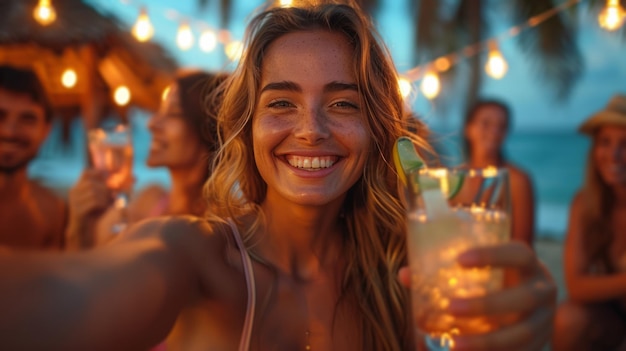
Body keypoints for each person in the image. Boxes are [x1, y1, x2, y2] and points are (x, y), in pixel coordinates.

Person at [0, 3, 556, 350]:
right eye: (282, 104)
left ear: (378, 132)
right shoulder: (196, 253)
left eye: (342, 105)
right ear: (246, 129)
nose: (311, 130)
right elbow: (65, 298)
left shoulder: (403, 278)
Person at [65, 70, 226, 249]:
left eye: (172, 113)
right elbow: (88, 270)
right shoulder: (148, 201)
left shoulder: (222, 223)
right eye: (159, 111)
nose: (152, 123)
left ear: (208, 129)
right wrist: (79, 226)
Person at [552, 94, 626, 351]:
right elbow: (577, 287)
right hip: (613, 314)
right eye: (605, 142)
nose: (614, 154)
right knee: (567, 319)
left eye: (625, 143)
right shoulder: (586, 203)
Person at [0, 65, 66, 250]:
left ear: (46, 131)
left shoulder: (52, 212)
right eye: (0, 116)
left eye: (27, 119)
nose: (9, 132)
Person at [462, 99, 536, 247]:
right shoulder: (455, 178)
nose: (494, 131)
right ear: (468, 129)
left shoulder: (517, 180)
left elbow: (522, 246)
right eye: (486, 123)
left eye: (501, 126)